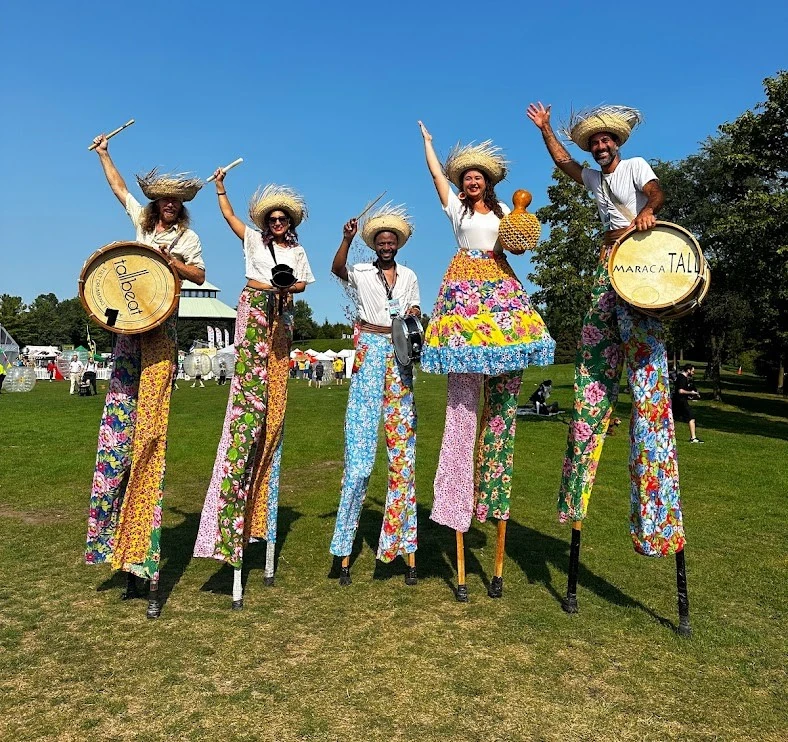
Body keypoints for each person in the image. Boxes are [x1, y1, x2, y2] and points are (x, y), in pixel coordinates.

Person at [527, 102, 691, 634]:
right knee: (591, 389)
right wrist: (548, 129)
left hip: (639, 271)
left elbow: (657, 193)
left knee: (649, 392)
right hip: (605, 272)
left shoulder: (637, 165)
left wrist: (649, 211)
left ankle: (660, 523)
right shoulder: (592, 177)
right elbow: (560, 164)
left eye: (605, 142)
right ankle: (574, 504)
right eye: (593, 143)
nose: (600, 148)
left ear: (615, 142)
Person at [417, 122, 555, 601]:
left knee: (500, 415)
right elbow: (437, 178)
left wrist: (520, 227)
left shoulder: (504, 213)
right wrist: (430, 148)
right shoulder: (455, 209)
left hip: (500, 295)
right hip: (463, 295)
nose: (471, 182)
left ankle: (493, 510)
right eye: (466, 177)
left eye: (478, 177)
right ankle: (455, 502)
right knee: (461, 409)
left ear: (488, 182)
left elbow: (521, 243)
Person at [85, 133, 206, 619]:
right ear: (157, 204)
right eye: (164, 201)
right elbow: (119, 190)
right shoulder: (141, 221)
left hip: (161, 335)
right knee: (118, 439)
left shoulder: (188, 239)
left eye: (176, 202)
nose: (169, 207)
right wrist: (105, 156)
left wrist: (172, 263)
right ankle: (119, 550)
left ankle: (142, 557)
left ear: (182, 208)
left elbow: (198, 276)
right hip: (128, 333)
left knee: (150, 438)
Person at [194, 175, 314, 608]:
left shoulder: (295, 252)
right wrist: (221, 190)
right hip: (255, 311)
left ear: (290, 223)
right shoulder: (252, 242)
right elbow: (227, 218)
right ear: (265, 221)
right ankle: (232, 530)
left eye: (283, 218)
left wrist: (285, 285)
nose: (278, 222)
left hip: (281, 319)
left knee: (275, 416)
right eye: (273, 218)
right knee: (249, 408)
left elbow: (302, 283)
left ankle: (260, 527)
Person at [330, 204, 420, 586]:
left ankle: (403, 549)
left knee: (403, 458)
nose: (386, 244)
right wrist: (346, 240)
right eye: (381, 240)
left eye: (391, 240)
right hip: (369, 350)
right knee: (360, 463)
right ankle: (343, 552)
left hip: (399, 357)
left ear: (397, 244)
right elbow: (337, 270)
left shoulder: (410, 275)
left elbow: (415, 307)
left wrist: (414, 312)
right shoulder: (361, 271)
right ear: (374, 244)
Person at [672, 364, 703, 442]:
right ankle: (693, 438)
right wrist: (691, 392)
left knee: (672, 418)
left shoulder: (682, 377)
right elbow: (680, 391)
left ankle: (668, 435)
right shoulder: (682, 378)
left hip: (677, 400)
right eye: (692, 371)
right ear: (688, 370)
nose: (693, 373)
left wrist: (690, 395)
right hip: (681, 401)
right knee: (691, 417)